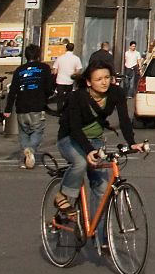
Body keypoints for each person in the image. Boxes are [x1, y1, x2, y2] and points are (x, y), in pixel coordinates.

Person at [53, 63, 143, 222]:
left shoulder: (116, 93)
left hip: (96, 140)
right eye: (99, 79)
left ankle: (100, 240)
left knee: (101, 188)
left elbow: (124, 120)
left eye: (107, 77)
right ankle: (62, 195)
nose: (104, 82)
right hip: (70, 138)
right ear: (88, 82)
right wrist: (88, 150)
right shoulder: (77, 97)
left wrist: (132, 143)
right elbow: (74, 128)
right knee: (80, 162)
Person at [8, 46, 55, 170]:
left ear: (26, 56)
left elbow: (12, 90)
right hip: (37, 105)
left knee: (24, 133)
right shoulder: (44, 68)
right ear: (39, 55)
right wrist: (48, 94)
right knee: (37, 131)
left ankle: (23, 161)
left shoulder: (19, 70)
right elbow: (48, 87)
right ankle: (31, 149)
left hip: (21, 106)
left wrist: (7, 109)